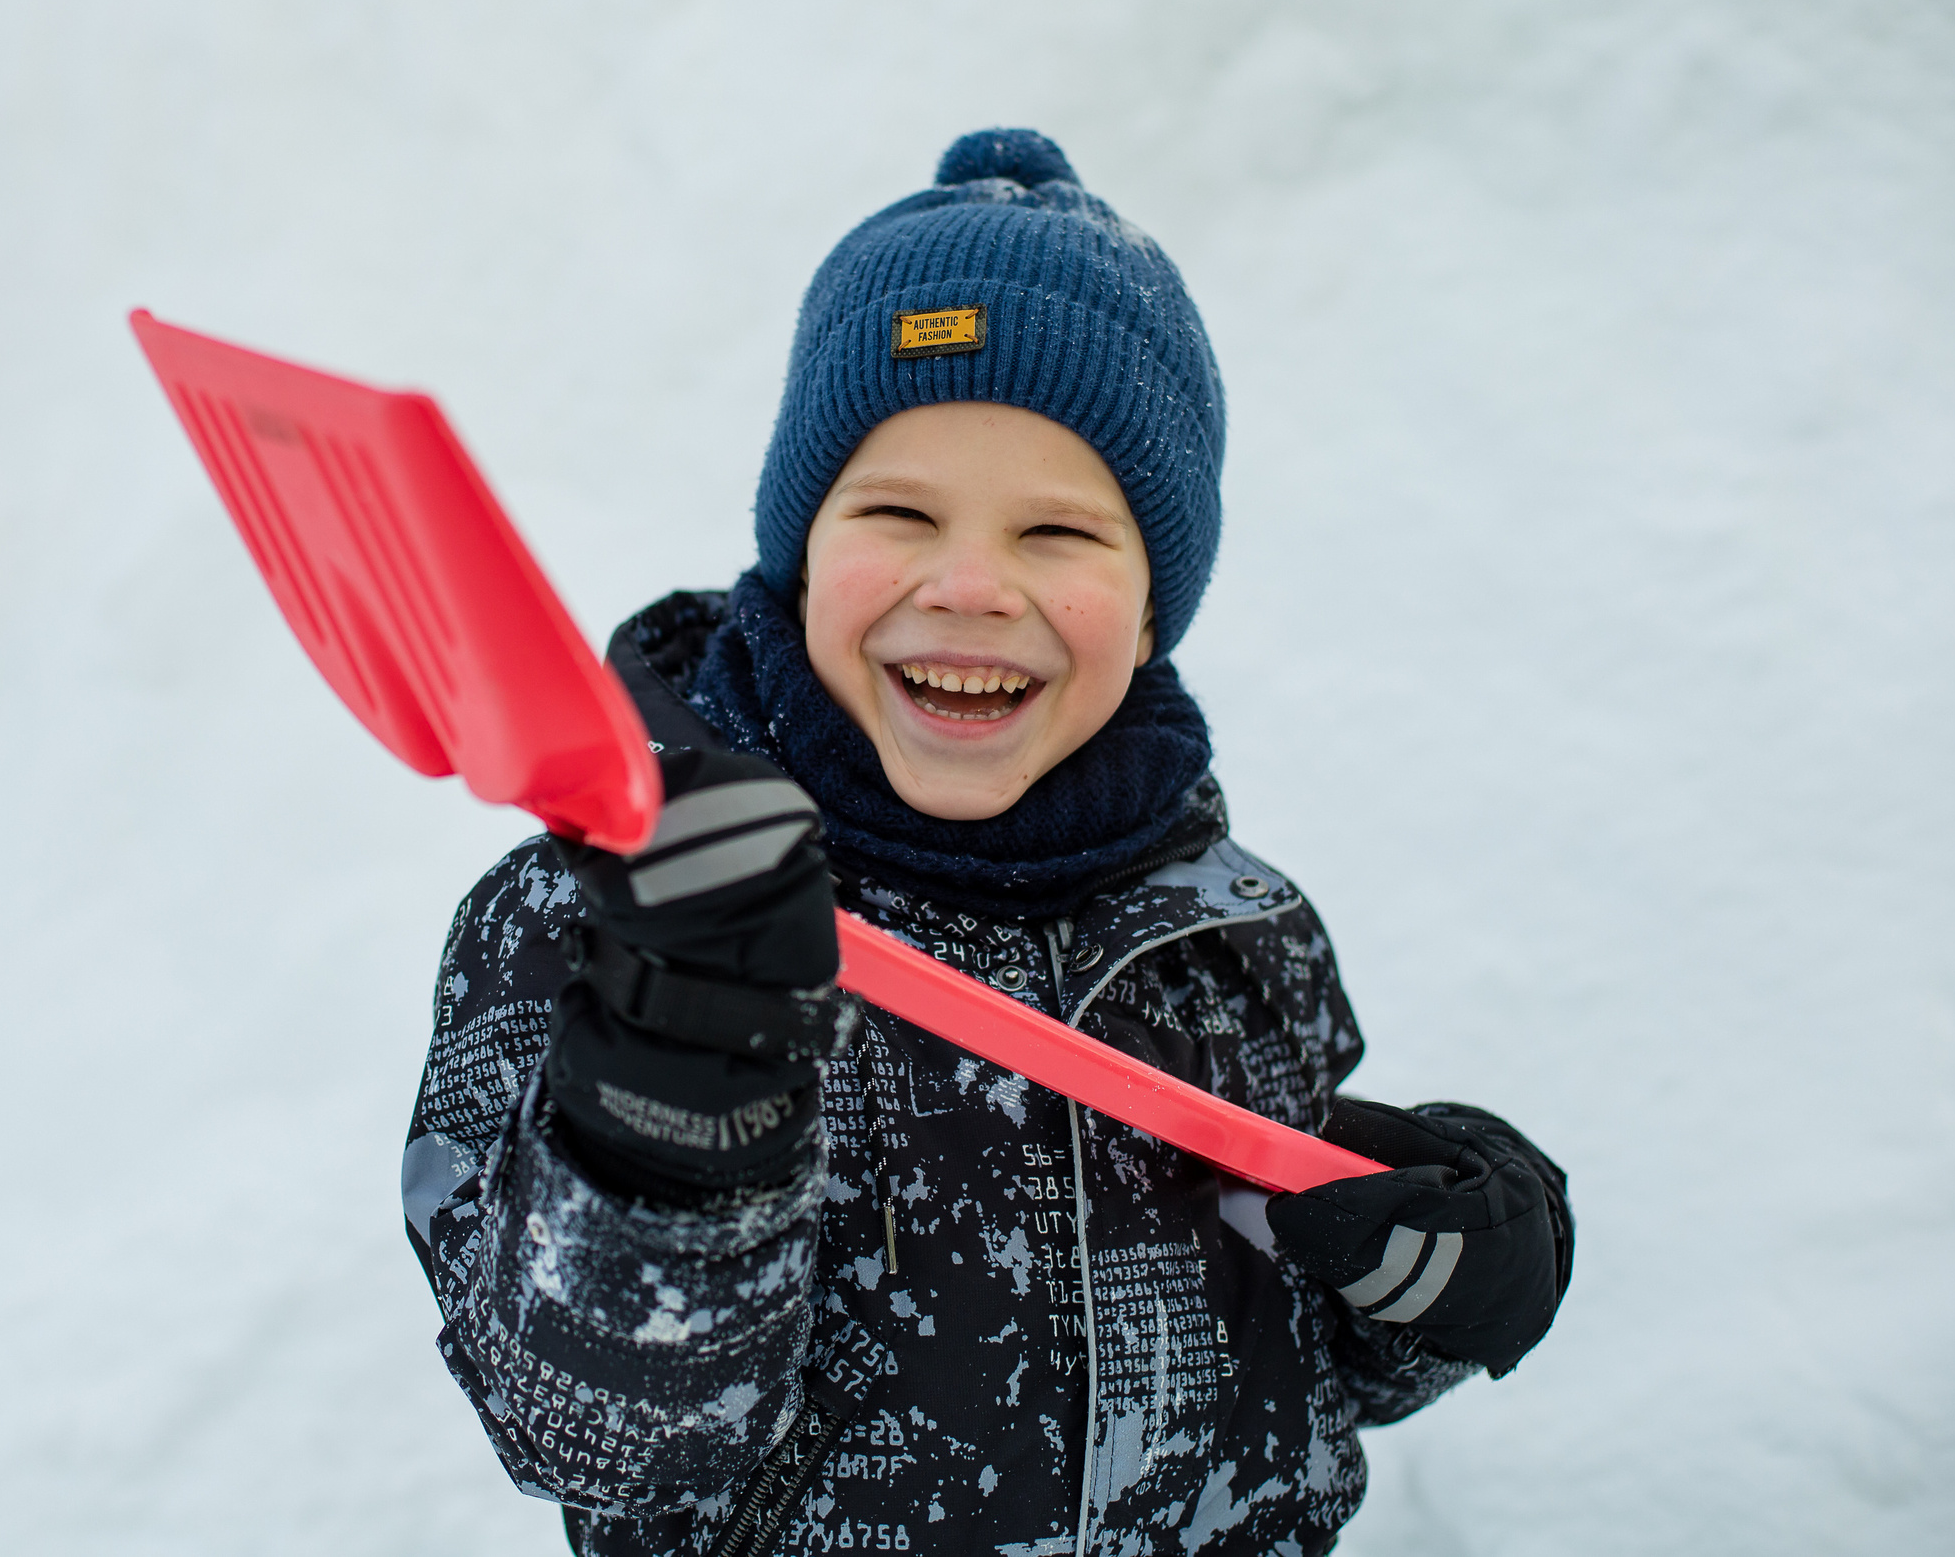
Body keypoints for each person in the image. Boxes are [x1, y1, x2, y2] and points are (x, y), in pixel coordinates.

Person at [402, 129, 1573, 1557]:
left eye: (1060, 535)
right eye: (897, 511)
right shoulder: (608, 914)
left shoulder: (1232, 931)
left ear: (1151, 608)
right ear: (801, 550)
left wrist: (1432, 1292)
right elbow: (591, 1431)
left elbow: (1278, 1372)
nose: (970, 585)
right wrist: (672, 1099)